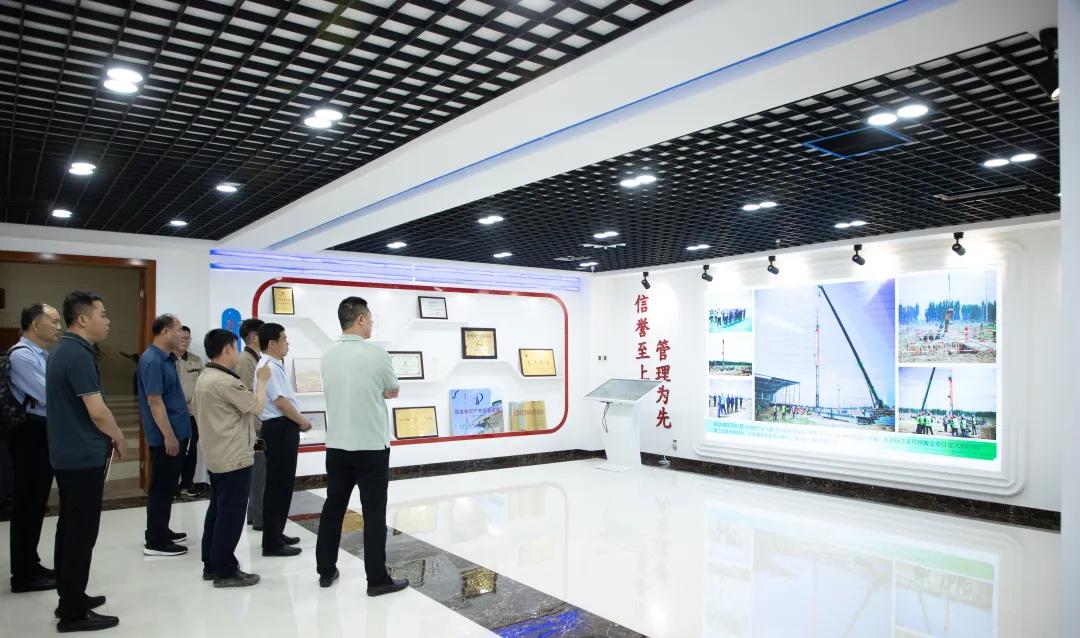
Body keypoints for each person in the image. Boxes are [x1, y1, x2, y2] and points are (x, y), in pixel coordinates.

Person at [315, 297, 408, 596]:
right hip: (371, 447)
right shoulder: (377, 354)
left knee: (333, 508)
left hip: (337, 447)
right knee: (374, 513)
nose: (372, 324)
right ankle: (376, 579)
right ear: (361, 319)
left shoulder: (327, 355)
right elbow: (392, 389)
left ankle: (326, 570)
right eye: (370, 318)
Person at [47, 291, 126, 632]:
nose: (107, 321)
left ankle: (70, 596)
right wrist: (118, 436)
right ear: (82, 319)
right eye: (102, 314)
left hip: (68, 455)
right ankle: (72, 613)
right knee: (81, 534)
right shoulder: (77, 355)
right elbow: (97, 411)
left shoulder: (63, 349)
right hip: (81, 457)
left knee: (69, 528)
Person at [192, 329, 272, 587]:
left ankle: (211, 564)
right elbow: (256, 406)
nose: (237, 353)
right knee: (231, 515)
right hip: (233, 457)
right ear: (227, 349)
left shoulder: (205, 376)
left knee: (217, 510)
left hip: (217, 455)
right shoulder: (225, 382)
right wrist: (262, 381)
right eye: (235, 348)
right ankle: (225, 571)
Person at [7, 303, 62, 593]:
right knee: (26, 503)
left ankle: (31, 563)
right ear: (35, 324)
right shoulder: (21, 356)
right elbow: (48, 394)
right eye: (54, 321)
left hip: (42, 431)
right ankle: (23, 574)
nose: (58, 327)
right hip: (29, 434)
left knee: (37, 501)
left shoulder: (42, 355)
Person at [254, 323, 311, 557]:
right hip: (279, 428)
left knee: (282, 484)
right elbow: (281, 402)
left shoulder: (273, 364)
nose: (287, 343)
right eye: (284, 339)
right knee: (278, 485)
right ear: (272, 343)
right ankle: (272, 542)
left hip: (281, 428)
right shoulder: (268, 366)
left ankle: (276, 532)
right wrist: (302, 421)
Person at [137, 314, 191, 556]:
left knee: (168, 485)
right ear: (165, 332)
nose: (182, 334)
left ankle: (161, 529)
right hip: (165, 437)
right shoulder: (152, 360)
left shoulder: (166, 358)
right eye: (178, 329)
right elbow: (155, 401)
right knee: (161, 487)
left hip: (177, 432)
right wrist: (168, 436)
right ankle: (156, 541)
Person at [236, 319, 265, 531]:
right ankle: (259, 518)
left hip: (256, 423)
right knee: (259, 476)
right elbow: (247, 396)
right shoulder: (246, 360)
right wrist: (257, 428)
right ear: (254, 337)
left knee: (259, 475)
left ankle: (255, 516)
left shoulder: (255, 358)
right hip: (254, 427)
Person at [176, 325, 204, 498]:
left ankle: (187, 484)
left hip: (193, 414)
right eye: (182, 338)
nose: (185, 341)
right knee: (175, 450)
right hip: (174, 414)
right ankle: (171, 485)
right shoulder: (166, 359)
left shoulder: (196, 360)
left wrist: (193, 405)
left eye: (188, 338)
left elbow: (202, 386)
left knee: (191, 450)